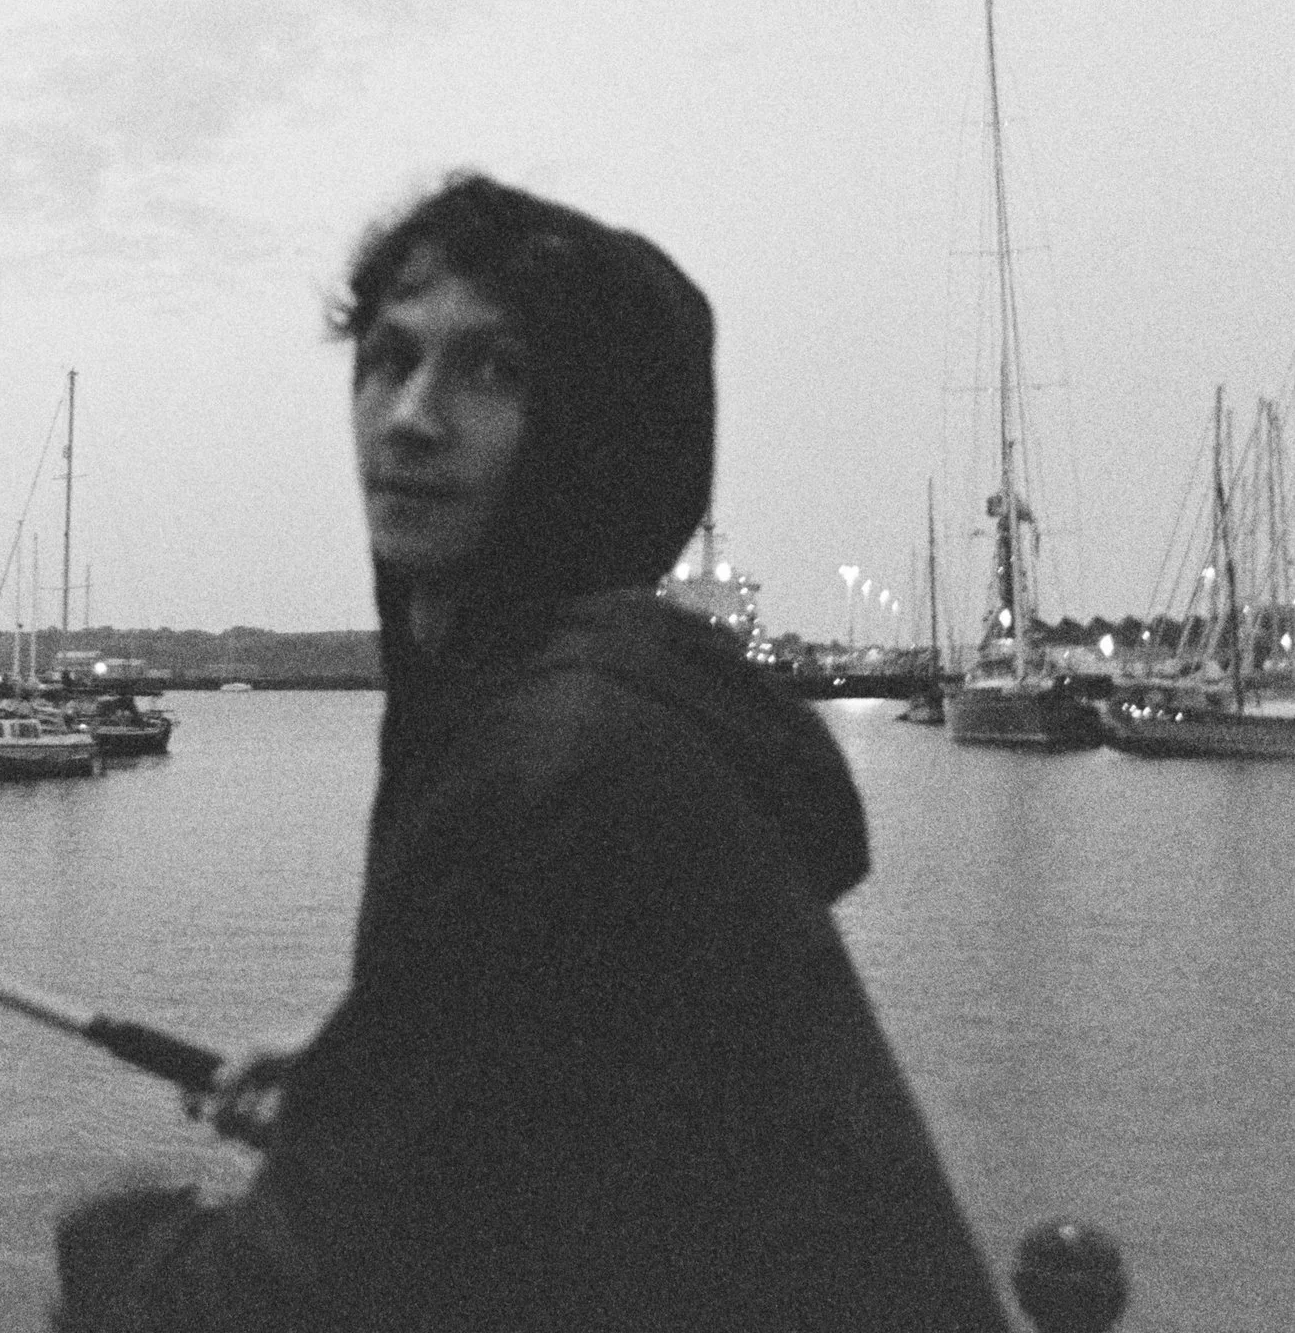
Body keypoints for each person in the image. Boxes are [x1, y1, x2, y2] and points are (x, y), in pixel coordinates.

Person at [52, 173, 1011, 1332]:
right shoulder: (627, 696)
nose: (410, 415)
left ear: (584, 432)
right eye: (389, 358)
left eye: (490, 370)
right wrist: (364, 1062)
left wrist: (113, 1256)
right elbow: (561, 1076)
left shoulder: (563, 766)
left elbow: (315, 1282)